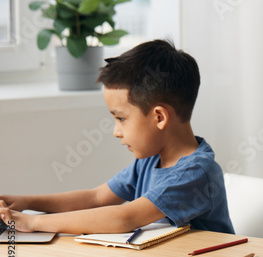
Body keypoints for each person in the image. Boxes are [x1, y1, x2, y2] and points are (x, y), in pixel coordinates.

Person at [0, 39, 233, 237]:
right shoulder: (149, 161)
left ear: (159, 117)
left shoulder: (197, 173)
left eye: (121, 118)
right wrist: (26, 202)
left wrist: (32, 223)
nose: (116, 131)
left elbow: (125, 217)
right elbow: (96, 197)